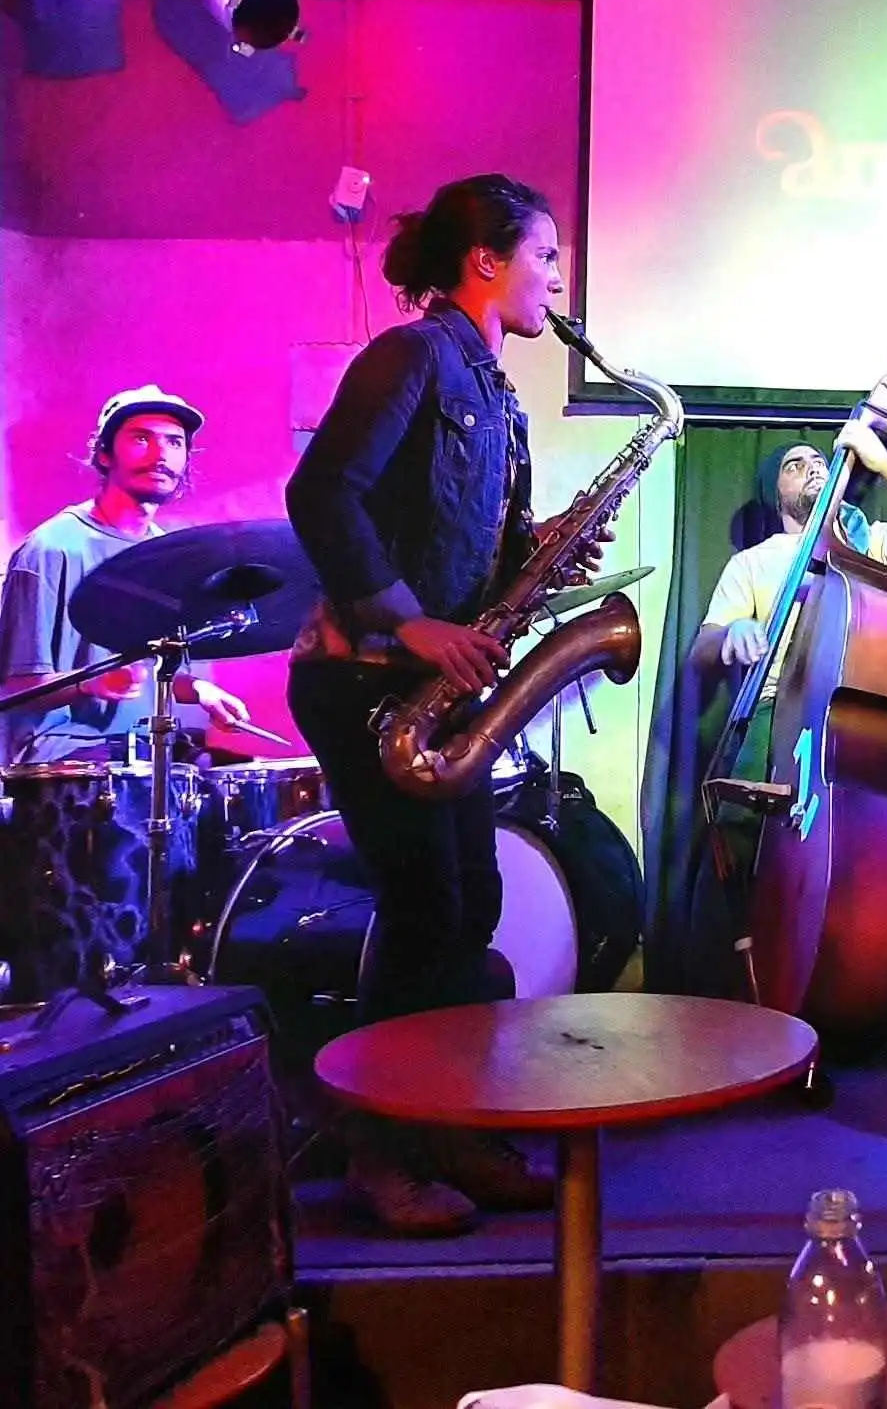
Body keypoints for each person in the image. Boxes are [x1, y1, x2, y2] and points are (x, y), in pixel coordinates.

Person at [286, 173, 588, 1236]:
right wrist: (407, 620)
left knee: (467, 908)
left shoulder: (500, 397)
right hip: (367, 677)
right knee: (424, 910)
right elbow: (321, 491)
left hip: (436, 687)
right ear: (487, 261)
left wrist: (544, 549)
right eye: (545, 255)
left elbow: (469, 542)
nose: (557, 278)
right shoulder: (412, 355)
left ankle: (451, 1124)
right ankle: (379, 1150)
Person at [687, 421, 887, 1066]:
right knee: (745, 846)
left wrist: (885, 465)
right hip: (777, 709)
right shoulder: (753, 563)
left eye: (818, 458)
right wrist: (733, 635)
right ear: (776, 493)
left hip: (864, 716)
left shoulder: (870, 542)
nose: (811, 466)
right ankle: (743, 1010)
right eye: (794, 464)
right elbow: (702, 648)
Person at [1, 386, 250, 765]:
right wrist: (90, 683)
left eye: (174, 442)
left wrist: (199, 689)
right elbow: (14, 688)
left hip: (146, 748)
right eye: (141, 438)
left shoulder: (167, 556)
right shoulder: (51, 550)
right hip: (64, 758)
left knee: (242, 779)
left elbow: (159, 673)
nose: (160, 454)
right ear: (104, 454)